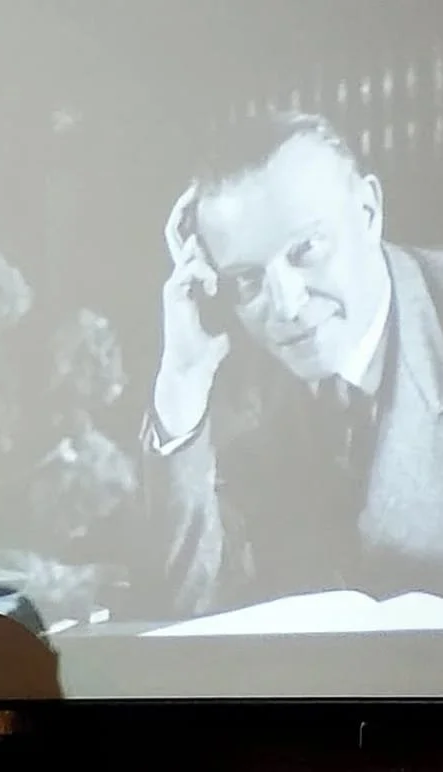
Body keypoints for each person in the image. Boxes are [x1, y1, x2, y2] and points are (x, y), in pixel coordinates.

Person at [142, 109, 443, 617]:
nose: (285, 305)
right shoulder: (227, 373)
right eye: (247, 279)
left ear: (368, 211)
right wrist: (183, 384)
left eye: (306, 250)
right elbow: (192, 612)